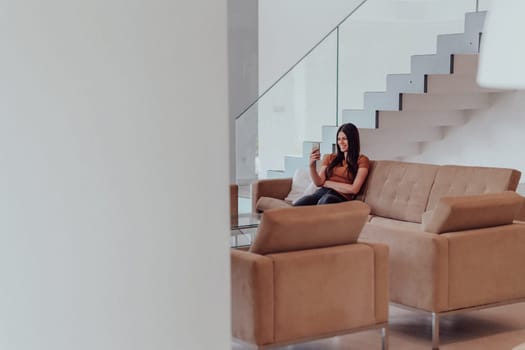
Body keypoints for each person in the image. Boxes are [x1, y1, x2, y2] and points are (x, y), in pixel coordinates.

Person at [293, 123, 370, 206]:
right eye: (338, 139)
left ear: (353, 140)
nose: (341, 142)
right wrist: (312, 165)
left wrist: (327, 183)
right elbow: (319, 183)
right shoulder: (330, 157)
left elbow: (354, 189)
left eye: (344, 139)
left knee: (325, 200)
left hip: (341, 197)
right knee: (299, 205)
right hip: (321, 192)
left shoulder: (362, 160)